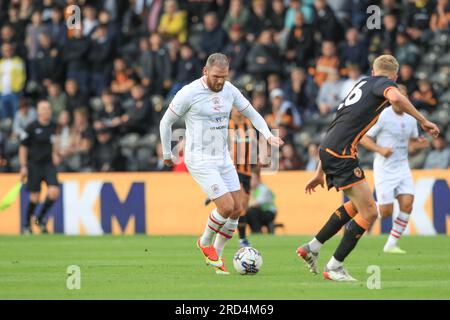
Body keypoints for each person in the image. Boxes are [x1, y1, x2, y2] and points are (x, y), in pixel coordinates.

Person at [297, 55, 439, 281]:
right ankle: (334, 266)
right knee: (370, 211)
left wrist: (318, 171)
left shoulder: (362, 84)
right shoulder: (385, 84)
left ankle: (312, 247)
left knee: (355, 205)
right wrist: (423, 120)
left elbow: (337, 124)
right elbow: (396, 98)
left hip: (328, 148)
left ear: (373, 72)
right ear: (395, 76)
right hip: (342, 152)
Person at [159, 53, 283, 275]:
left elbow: (252, 113)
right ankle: (205, 242)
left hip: (223, 158)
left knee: (237, 209)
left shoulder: (229, 90)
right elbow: (166, 121)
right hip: (200, 159)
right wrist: (168, 152)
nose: (220, 81)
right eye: (216, 76)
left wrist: (267, 135)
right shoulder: (189, 93)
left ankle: (217, 256)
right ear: (205, 72)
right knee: (225, 207)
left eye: (224, 77)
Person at [359, 85, 430, 254]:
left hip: (402, 167)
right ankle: (361, 211)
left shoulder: (411, 119)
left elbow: (411, 144)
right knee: (385, 212)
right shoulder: (383, 116)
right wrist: (380, 150)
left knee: (407, 204)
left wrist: (419, 145)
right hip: (384, 169)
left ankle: (391, 244)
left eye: (403, 96)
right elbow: (364, 138)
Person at [19, 100, 60, 234]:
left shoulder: (54, 126)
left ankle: (40, 218)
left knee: (54, 192)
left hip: (48, 164)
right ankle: (27, 225)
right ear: (38, 111)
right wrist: (23, 166)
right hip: (34, 165)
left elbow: (55, 143)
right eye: (43, 109)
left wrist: (56, 154)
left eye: (48, 108)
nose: (46, 111)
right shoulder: (31, 127)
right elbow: (23, 147)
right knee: (34, 198)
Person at [246, 167, 277, 233]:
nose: (250, 181)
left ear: (258, 179)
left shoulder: (263, 189)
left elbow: (257, 204)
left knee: (252, 211)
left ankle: (257, 231)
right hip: (257, 212)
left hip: (268, 212)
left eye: (252, 179)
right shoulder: (248, 190)